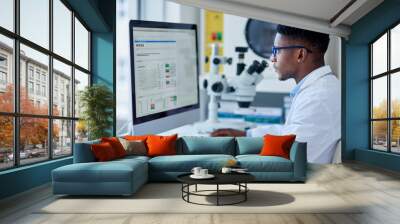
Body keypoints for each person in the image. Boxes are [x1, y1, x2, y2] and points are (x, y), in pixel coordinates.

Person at [211, 25, 341, 164]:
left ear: (300, 54)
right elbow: (288, 133)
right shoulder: (316, 89)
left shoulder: (318, 97)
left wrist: (234, 160)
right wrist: (247, 135)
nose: (272, 59)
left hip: (302, 180)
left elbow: (291, 160)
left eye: (276, 51)